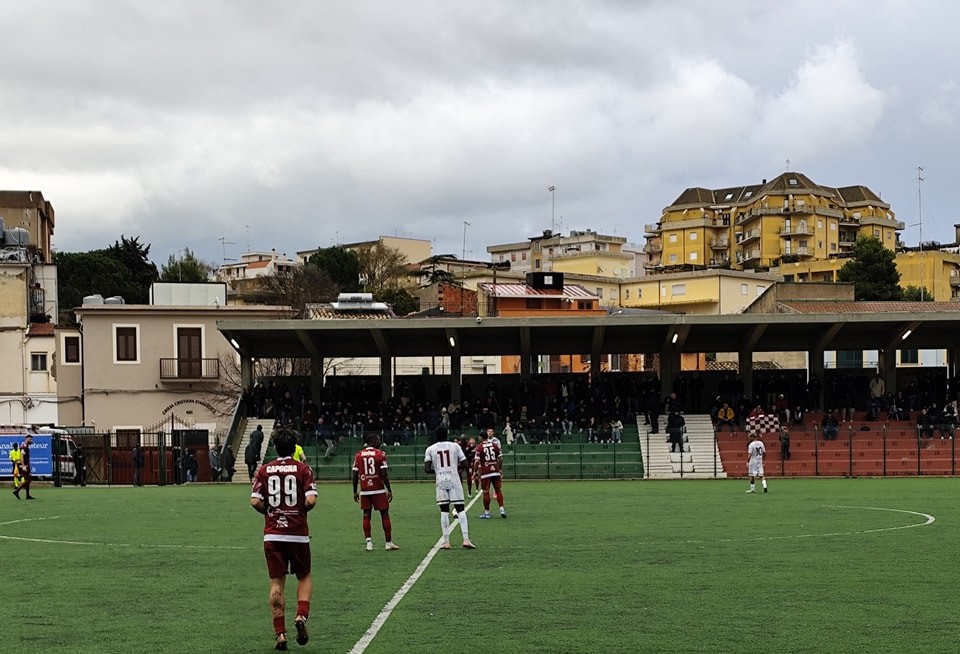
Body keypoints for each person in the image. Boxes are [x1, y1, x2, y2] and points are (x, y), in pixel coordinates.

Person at [250, 428, 317, 651]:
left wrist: (271, 512)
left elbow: (254, 501)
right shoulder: (303, 469)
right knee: (304, 575)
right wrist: (297, 511)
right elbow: (310, 501)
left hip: (273, 533)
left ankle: (280, 634)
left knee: (276, 582)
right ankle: (301, 617)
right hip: (297, 533)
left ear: (275, 447)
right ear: (294, 446)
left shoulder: (264, 470)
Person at [424, 426, 475, 549]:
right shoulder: (455, 446)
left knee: (444, 510)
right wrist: (454, 469)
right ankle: (466, 539)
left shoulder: (430, 449)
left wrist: (438, 470)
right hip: (453, 478)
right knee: (460, 509)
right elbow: (465, 463)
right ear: (447, 434)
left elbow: (426, 469)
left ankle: (446, 541)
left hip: (441, 479)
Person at [351, 433, 399, 552]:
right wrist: (389, 489)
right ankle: (388, 543)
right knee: (384, 514)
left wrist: (355, 491)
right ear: (372, 441)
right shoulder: (380, 454)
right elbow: (384, 474)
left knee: (366, 515)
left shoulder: (359, 455)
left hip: (365, 490)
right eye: (378, 440)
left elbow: (355, 474)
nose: (379, 442)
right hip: (378, 489)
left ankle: (369, 543)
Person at [474, 429, 507, 519]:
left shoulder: (479, 447)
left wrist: (475, 472)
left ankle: (487, 513)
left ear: (481, 437)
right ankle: (502, 509)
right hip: (495, 470)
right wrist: (499, 468)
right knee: (498, 490)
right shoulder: (494, 445)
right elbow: (500, 458)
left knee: (486, 492)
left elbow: (477, 461)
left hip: (486, 472)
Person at [13, 435, 35, 499]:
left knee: (27, 479)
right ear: (27, 439)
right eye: (30, 439)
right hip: (25, 465)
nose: (31, 441)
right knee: (29, 479)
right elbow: (21, 456)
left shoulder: (26, 446)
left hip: (26, 464)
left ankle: (27, 495)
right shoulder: (24, 446)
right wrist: (23, 466)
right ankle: (17, 491)